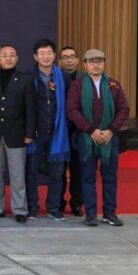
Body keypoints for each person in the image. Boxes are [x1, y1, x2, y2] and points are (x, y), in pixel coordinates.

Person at [66, 49, 130, 227]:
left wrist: (111, 130)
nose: (96, 65)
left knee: (110, 176)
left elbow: (124, 109)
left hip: (110, 138)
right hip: (87, 138)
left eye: (99, 61)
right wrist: (91, 130)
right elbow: (72, 110)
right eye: (92, 61)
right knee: (87, 177)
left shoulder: (113, 85)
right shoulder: (77, 86)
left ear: (104, 63)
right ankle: (91, 214)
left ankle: (109, 213)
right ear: (85, 65)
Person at [0, 45, 35, 223]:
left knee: (17, 175)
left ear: (17, 58)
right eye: (4, 55)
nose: (8, 58)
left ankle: (20, 210)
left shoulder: (26, 79)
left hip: (17, 134)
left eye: (11, 55)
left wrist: (29, 133)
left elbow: (31, 108)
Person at [25, 39, 71, 222]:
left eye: (49, 53)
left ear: (54, 55)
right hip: (35, 133)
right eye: (42, 53)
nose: (46, 57)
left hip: (58, 132)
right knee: (31, 173)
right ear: (35, 56)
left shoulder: (63, 78)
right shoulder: (27, 77)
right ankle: (32, 208)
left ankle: (53, 208)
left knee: (57, 173)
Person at [58, 45, 83, 216]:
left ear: (78, 60)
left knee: (79, 169)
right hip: (60, 132)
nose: (69, 60)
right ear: (60, 61)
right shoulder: (54, 79)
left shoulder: (86, 79)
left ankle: (77, 203)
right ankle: (58, 203)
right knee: (58, 170)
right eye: (65, 57)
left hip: (80, 131)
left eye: (72, 56)